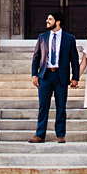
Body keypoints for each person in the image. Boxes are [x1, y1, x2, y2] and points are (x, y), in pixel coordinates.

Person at [29, 12, 80, 143]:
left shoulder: (69, 38)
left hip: (60, 76)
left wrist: (75, 77)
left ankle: (60, 135)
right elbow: (36, 57)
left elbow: (74, 59)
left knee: (61, 106)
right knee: (43, 106)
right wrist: (34, 74)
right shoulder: (42, 37)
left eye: (50, 19)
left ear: (57, 22)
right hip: (45, 76)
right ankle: (40, 135)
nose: (47, 21)